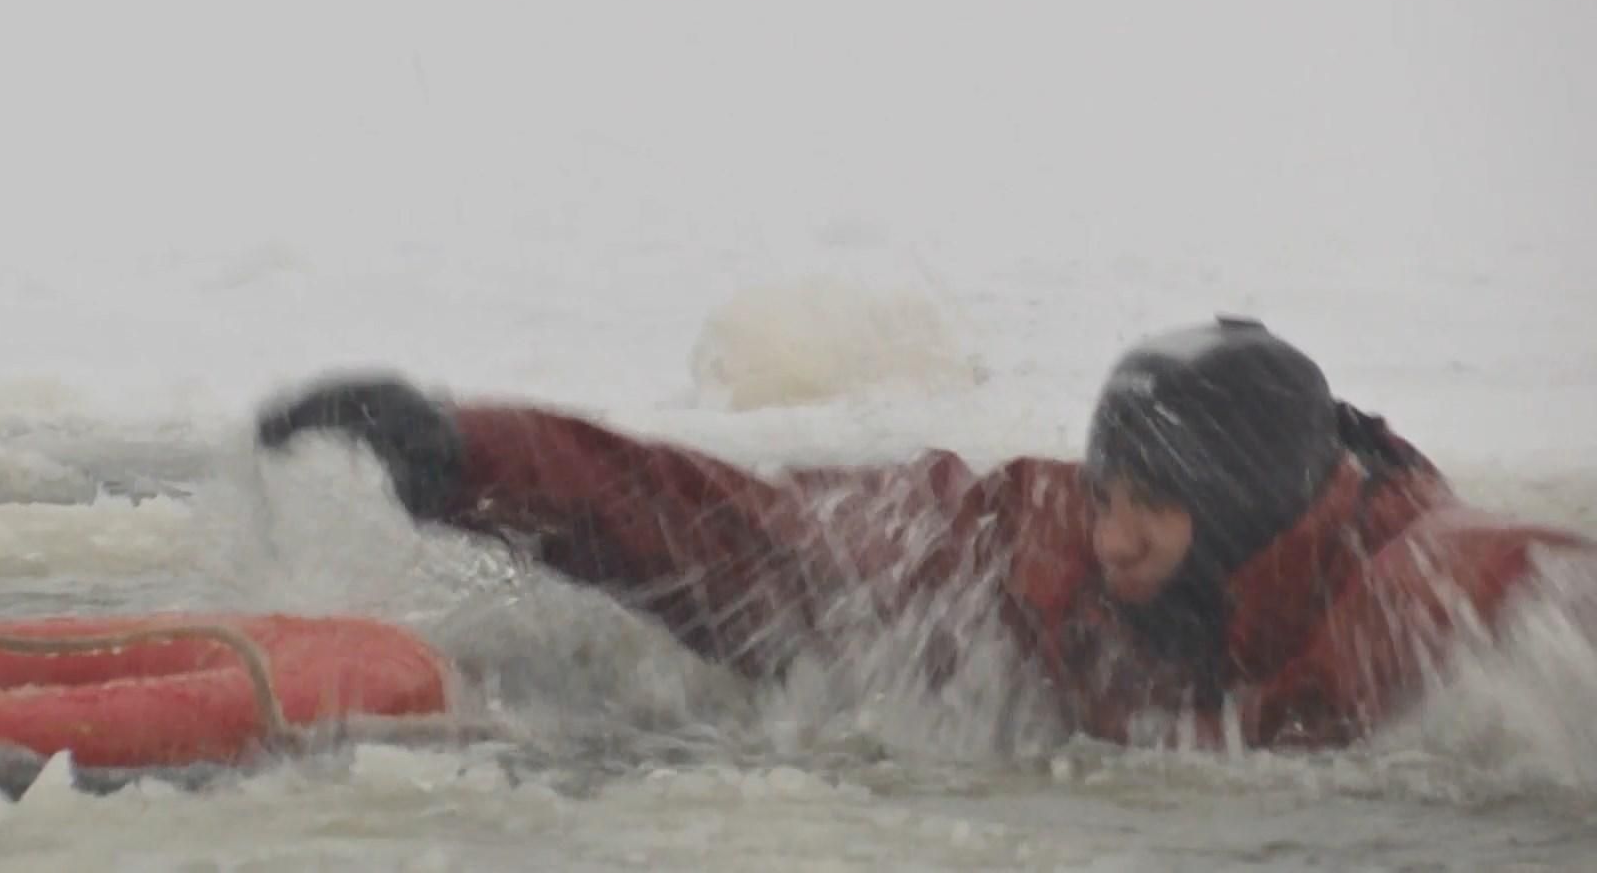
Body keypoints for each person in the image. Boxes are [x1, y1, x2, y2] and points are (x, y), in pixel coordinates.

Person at [254, 317, 1593, 749]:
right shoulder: (1036, 547)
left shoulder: (1415, 587)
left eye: (1158, 508)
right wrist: (472, 455)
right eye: (1108, 493)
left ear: (1244, 510)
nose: (1116, 539)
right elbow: (744, 540)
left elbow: (1550, 589)